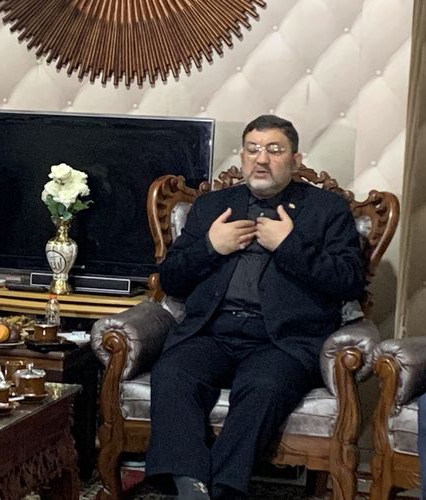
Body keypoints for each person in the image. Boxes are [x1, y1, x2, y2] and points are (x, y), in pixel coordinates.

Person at [145, 115, 365, 499]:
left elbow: (348, 281)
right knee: (174, 372)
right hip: (213, 332)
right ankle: (190, 484)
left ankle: (225, 488)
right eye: (253, 149)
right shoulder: (212, 206)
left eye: (274, 150)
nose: (261, 159)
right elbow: (172, 280)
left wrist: (290, 245)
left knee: (262, 386)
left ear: (296, 160)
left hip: (281, 341)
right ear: (243, 156)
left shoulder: (326, 209)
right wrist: (210, 246)